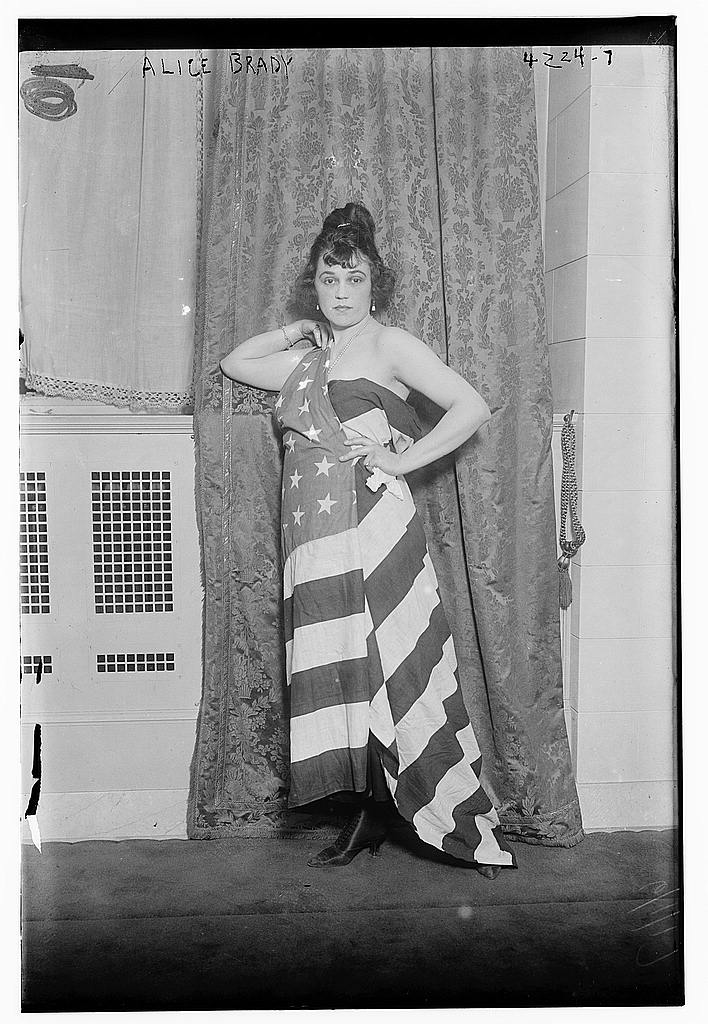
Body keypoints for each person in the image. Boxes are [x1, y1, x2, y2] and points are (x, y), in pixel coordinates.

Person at [220, 201, 517, 878]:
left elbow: (471, 407)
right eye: (330, 280)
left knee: (397, 661)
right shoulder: (308, 359)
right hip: (315, 537)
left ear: (374, 284)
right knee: (343, 667)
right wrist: (295, 330)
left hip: (374, 525)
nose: (342, 293)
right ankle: (370, 806)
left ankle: (432, 808)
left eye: (355, 280)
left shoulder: (391, 345)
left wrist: (400, 461)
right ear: (315, 286)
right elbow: (235, 362)